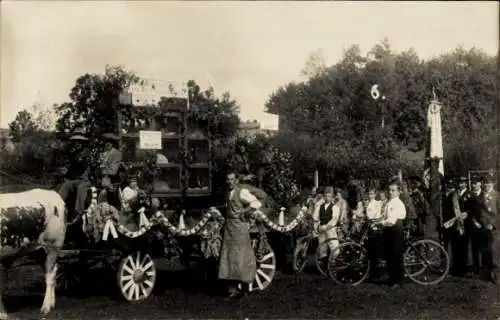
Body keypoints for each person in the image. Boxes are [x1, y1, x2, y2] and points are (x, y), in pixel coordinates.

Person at [218, 172, 261, 300]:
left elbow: (256, 202)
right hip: (229, 227)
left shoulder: (241, 192)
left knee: (242, 257)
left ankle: (245, 289)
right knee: (229, 258)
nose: (230, 182)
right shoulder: (227, 193)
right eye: (228, 179)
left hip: (240, 227)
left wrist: (245, 212)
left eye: (232, 179)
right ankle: (232, 290)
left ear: (236, 180)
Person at [58, 129, 92, 219]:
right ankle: (57, 204)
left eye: (78, 142)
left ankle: (78, 212)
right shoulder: (75, 153)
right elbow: (73, 168)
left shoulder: (86, 152)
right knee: (67, 185)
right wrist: (67, 173)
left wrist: (70, 171)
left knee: (81, 188)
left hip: (87, 179)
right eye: (75, 142)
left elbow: (83, 167)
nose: (76, 144)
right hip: (76, 179)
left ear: (82, 142)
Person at [380, 180, 407, 288]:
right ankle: (392, 278)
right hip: (389, 229)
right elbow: (385, 216)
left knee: (396, 255)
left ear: (399, 192)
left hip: (395, 229)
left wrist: (381, 223)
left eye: (393, 190)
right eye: (390, 190)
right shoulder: (389, 202)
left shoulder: (398, 203)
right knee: (389, 254)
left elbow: (391, 220)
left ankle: (397, 281)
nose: (391, 192)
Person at [441, 178, 467, 276]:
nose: (449, 188)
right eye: (447, 186)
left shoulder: (455, 196)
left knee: (457, 248)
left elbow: (457, 211)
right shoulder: (444, 196)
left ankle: (459, 270)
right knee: (452, 248)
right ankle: (454, 269)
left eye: (451, 186)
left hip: (455, 225)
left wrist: (459, 225)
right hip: (447, 225)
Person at [312, 186, 341, 266]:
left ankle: (333, 263)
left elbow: (334, 219)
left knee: (334, 246)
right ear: (324, 197)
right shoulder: (320, 207)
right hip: (322, 229)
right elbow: (316, 217)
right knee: (322, 247)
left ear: (332, 197)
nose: (327, 198)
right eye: (326, 196)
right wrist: (317, 225)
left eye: (329, 196)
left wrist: (327, 226)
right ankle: (324, 265)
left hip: (330, 229)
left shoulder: (335, 207)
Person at [478, 176, 498, 283]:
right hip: (484, 228)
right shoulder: (481, 196)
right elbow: (480, 213)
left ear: (493, 184)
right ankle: (487, 274)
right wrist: (483, 223)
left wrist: (493, 224)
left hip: (495, 229)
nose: (486, 185)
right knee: (485, 251)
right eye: (485, 183)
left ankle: (497, 275)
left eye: (489, 182)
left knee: (495, 252)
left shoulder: (498, 196)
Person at [98, 133, 123, 206]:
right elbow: (99, 167)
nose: (107, 144)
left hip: (112, 181)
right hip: (103, 181)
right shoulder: (103, 154)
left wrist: (103, 169)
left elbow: (113, 171)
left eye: (109, 142)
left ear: (112, 144)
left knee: (112, 203)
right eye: (106, 142)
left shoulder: (116, 154)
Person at [466, 177, 485, 276]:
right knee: (475, 248)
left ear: (480, 184)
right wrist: (474, 222)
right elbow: (469, 211)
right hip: (474, 225)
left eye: (476, 183)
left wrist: (484, 223)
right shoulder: (470, 195)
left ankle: (487, 269)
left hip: (485, 225)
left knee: (486, 248)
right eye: (473, 183)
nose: (474, 185)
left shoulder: (485, 194)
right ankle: (476, 269)